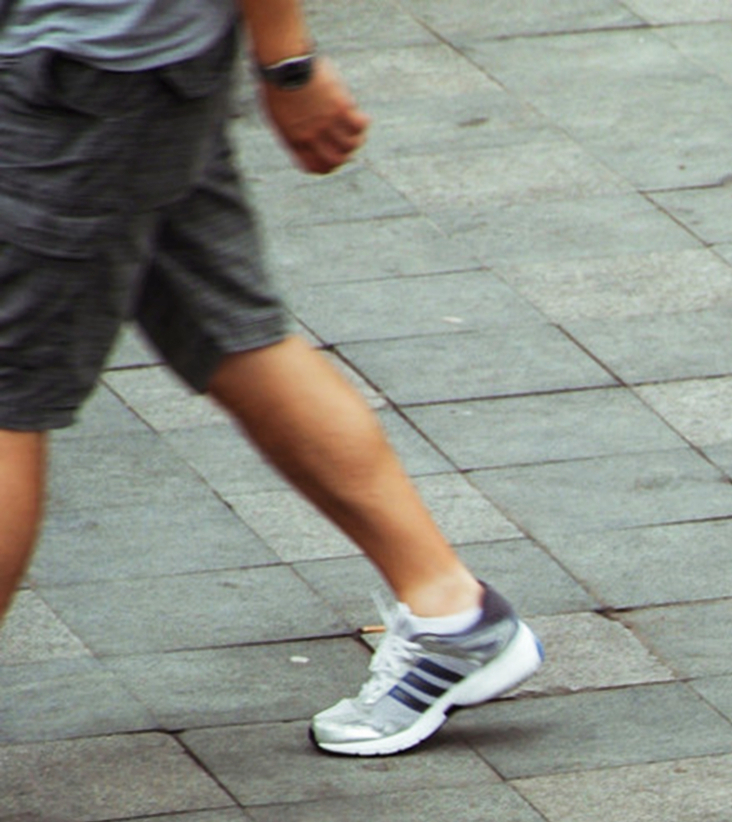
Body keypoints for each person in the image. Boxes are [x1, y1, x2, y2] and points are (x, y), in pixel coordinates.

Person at [0, 0, 540, 756]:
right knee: (226, 331)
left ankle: (454, 615)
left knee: (9, 394)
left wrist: (289, 64)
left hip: (92, 68)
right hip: (112, 64)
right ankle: (454, 616)